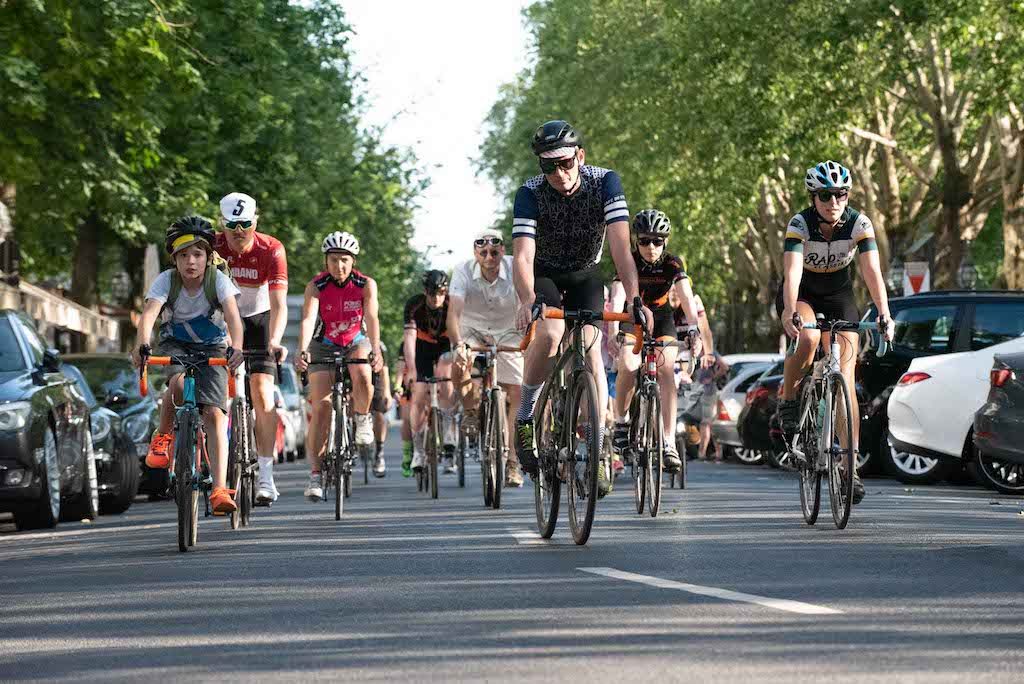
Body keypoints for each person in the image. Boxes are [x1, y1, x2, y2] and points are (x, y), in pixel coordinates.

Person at [511, 119, 652, 497]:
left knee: (590, 349)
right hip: (544, 277)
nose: (559, 173)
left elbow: (622, 249)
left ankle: (596, 447)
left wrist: (635, 298)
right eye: (548, 166)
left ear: (580, 156)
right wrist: (528, 301)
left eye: (566, 163)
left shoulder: (605, 182)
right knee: (552, 333)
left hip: (585, 274)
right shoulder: (530, 193)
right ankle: (526, 416)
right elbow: (523, 257)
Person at [777, 160, 895, 505]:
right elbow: (793, 271)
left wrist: (884, 312)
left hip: (840, 295)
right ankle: (788, 399)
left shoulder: (859, 223)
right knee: (811, 337)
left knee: (845, 372)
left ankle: (849, 468)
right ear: (814, 197)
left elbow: (872, 271)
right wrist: (788, 310)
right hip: (801, 294)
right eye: (826, 195)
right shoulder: (800, 223)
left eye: (841, 195)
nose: (834, 202)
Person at [135, 216, 243, 515]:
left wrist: (237, 346)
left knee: (215, 414)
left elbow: (233, 317)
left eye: (197, 254)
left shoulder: (217, 280)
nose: (190, 262)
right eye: (183, 255)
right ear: (175, 259)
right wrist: (143, 345)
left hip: (213, 348)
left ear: (209, 257)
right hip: (175, 345)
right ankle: (164, 436)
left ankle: (220, 488)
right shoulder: (166, 280)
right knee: (177, 385)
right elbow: (148, 315)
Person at [606, 209, 702, 472]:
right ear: (636, 242)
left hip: (661, 318)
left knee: (666, 372)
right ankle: (622, 421)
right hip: (632, 316)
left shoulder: (673, 264)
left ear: (665, 242)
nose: (651, 247)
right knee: (628, 363)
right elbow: (616, 297)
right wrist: (613, 330)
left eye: (657, 241)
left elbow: (686, 296)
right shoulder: (628, 261)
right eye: (645, 241)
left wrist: (694, 329)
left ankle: (668, 441)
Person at [294, 231, 383, 502]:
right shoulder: (316, 286)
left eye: (344, 260)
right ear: (326, 261)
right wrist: (302, 350)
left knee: (361, 371)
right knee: (320, 407)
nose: (339, 266)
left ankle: (362, 418)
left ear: (352, 261)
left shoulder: (365, 284)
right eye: (333, 260)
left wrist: (376, 349)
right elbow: (308, 319)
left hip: (356, 339)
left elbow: (372, 316)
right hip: (325, 342)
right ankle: (316, 474)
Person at [213, 192, 289, 505]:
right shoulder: (212, 246)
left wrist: (275, 340)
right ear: (222, 224)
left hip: (259, 321)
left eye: (246, 224)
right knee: (215, 392)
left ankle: (267, 478)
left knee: (261, 391)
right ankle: (212, 461)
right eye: (233, 226)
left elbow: (279, 304)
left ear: (255, 222)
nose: (240, 231)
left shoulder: (271, 249)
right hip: (220, 319)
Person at [447, 228, 525, 488]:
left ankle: (513, 462)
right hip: (473, 330)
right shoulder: (462, 271)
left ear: (502, 251)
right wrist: (459, 344)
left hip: (509, 331)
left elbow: (528, 300)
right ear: (475, 253)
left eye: (494, 251)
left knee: (517, 392)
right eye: (483, 252)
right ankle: (470, 409)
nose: (489, 257)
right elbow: (454, 312)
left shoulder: (515, 267)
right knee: (458, 364)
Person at [403, 270, 455, 474]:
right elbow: (409, 339)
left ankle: (449, 431)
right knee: (418, 394)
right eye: (432, 293)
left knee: (446, 377)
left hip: (444, 345)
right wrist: (412, 370)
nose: (437, 298)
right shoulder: (414, 305)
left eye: (441, 293)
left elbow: (458, 333)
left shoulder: (452, 303)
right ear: (425, 292)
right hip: (422, 347)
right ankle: (418, 450)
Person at [370, 342, 393, 477]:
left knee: (379, 415)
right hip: (352, 376)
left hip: (375, 379)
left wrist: (387, 392)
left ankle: (379, 451)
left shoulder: (379, 345)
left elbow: (384, 371)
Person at [395, 348, 415, 477]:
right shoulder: (406, 344)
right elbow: (400, 369)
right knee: (407, 419)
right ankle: (407, 453)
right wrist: (397, 386)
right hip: (409, 386)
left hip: (430, 381)